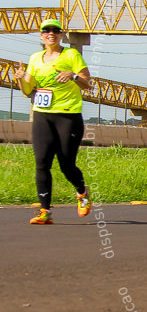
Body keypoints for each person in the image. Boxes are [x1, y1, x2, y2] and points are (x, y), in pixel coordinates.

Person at [14, 18, 93, 224]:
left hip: (68, 115)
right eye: (46, 31)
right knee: (41, 163)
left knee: (66, 165)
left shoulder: (71, 55)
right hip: (42, 114)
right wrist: (20, 78)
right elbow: (27, 90)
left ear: (61, 35)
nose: (51, 33)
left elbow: (88, 84)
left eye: (55, 31)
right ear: (41, 36)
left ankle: (82, 192)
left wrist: (73, 75)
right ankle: (44, 211)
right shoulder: (35, 58)